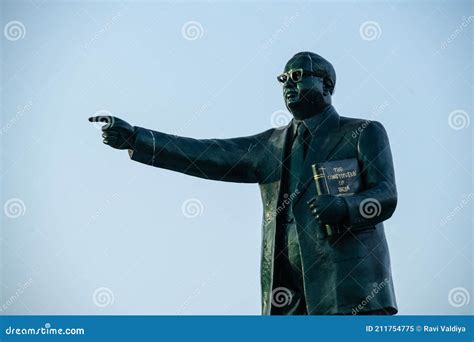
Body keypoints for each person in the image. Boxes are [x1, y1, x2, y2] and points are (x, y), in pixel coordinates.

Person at [89, 52, 398, 315]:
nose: (289, 83)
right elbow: (206, 153)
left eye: (299, 75)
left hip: (350, 288)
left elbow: (385, 196)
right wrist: (137, 139)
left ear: (326, 85)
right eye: (284, 78)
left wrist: (344, 206)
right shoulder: (271, 146)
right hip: (286, 293)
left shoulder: (362, 132)